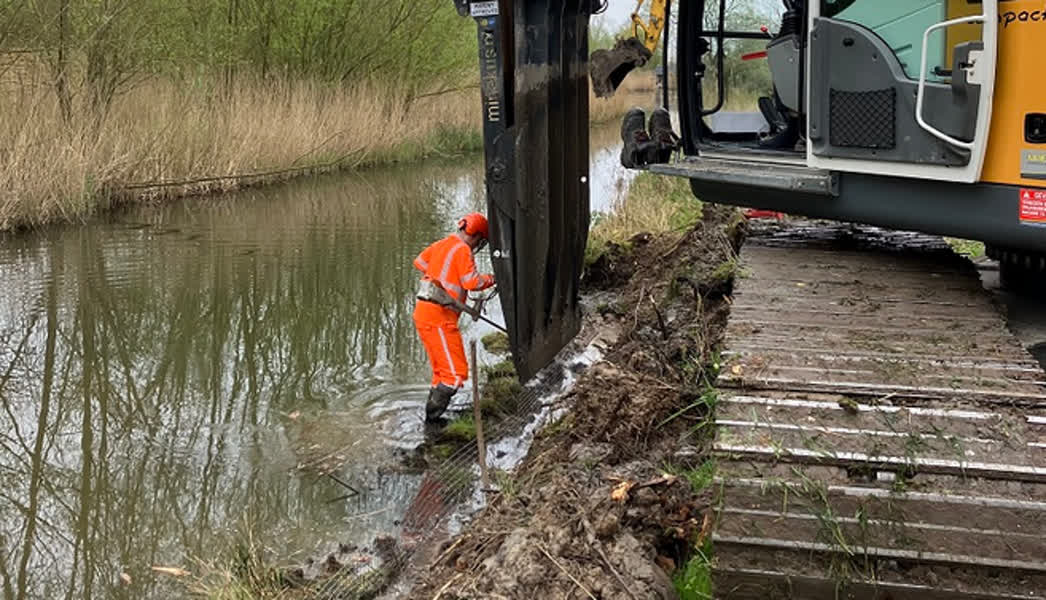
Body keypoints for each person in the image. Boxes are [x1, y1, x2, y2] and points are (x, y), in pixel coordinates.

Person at [412, 213, 496, 422]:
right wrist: (494, 279)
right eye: (481, 241)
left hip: (424, 313)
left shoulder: (442, 243)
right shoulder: (463, 250)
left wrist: (439, 275)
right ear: (477, 236)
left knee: (441, 373)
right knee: (455, 375)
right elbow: (472, 283)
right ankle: (432, 419)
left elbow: (420, 262)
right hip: (439, 318)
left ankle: (430, 423)